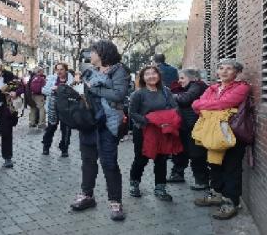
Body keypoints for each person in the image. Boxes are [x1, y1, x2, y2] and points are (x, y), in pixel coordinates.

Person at [70, 40, 131, 221]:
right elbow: (82, 93)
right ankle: (87, 195)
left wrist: (94, 90)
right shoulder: (89, 71)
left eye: (93, 51)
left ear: (103, 53)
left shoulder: (119, 71)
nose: (90, 55)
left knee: (109, 163)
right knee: (88, 160)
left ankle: (115, 201)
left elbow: (119, 95)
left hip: (107, 123)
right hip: (89, 122)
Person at [193, 59, 251, 220]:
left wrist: (208, 106)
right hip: (213, 133)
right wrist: (214, 106)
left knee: (231, 167)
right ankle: (216, 194)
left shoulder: (242, 87)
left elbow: (226, 102)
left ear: (236, 72)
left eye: (229, 68)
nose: (224, 71)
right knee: (215, 164)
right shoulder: (212, 88)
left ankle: (231, 202)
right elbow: (195, 105)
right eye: (221, 68)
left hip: (232, 132)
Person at [127, 65, 178, 201]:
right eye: (147, 74)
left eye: (154, 73)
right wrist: (150, 120)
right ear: (143, 78)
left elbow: (174, 108)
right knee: (141, 158)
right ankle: (134, 184)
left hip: (162, 130)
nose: (151, 76)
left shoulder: (166, 91)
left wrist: (167, 121)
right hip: (143, 130)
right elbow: (132, 113)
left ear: (159, 75)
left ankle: (160, 188)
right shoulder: (138, 94)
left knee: (161, 159)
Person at [170, 68, 209, 191]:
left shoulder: (197, 85)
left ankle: (202, 181)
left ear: (192, 78)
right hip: (185, 125)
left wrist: (171, 96)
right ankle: (178, 174)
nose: (179, 81)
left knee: (196, 154)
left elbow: (185, 99)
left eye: (182, 78)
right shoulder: (189, 87)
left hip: (194, 126)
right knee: (181, 151)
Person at [42, 62, 75, 157]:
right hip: (54, 107)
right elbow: (44, 90)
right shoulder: (52, 78)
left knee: (66, 129)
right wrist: (52, 90)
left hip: (67, 108)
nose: (59, 72)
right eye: (57, 69)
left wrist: (61, 89)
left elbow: (75, 93)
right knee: (51, 127)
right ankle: (46, 146)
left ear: (66, 70)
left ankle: (64, 149)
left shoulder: (72, 80)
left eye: (61, 69)